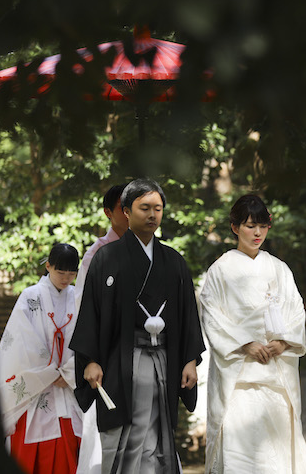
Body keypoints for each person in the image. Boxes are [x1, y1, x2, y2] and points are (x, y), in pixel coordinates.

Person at [69, 177, 206, 474]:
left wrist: (189, 360)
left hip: (164, 361)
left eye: (158, 208)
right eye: (144, 208)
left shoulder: (173, 261)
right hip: (120, 362)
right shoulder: (106, 258)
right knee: (122, 436)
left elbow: (187, 316)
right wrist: (90, 361)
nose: (152, 215)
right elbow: (90, 312)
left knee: (157, 436)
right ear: (127, 211)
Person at [199, 194, 306, 474]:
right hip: (239, 377)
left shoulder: (279, 269)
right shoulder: (221, 270)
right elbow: (212, 314)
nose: (257, 232)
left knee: (277, 455)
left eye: (262, 225)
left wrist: (283, 341)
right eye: (250, 226)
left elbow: (296, 312)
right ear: (235, 227)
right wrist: (245, 343)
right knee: (240, 454)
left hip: (275, 376)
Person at [0, 243, 83, 474]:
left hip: (69, 385)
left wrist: (70, 372)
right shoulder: (30, 296)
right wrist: (49, 374)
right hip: (37, 386)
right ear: (48, 266)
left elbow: (87, 339)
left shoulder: (79, 297)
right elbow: (22, 341)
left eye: (71, 273)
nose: (66, 278)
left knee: (75, 444)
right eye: (60, 272)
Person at [75, 184, 128, 474]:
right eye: (123, 206)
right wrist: (90, 359)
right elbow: (83, 311)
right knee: (105, 439)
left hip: (144, 354)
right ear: (109, 212)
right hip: (107, 359)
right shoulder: (96, 254)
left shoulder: (150, 251)